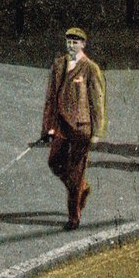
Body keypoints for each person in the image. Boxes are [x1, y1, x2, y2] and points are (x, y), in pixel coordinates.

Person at [41, 27, 106, 230]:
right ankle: (82, 189)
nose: (71, 46)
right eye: (68, 42)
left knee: (76, 172)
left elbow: (98, 101)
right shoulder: (59, 64)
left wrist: (97, 132)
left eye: (75, 42)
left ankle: (73, 217)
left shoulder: (90, 68)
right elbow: (51, 98)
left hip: (81, 128)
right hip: (60, 126)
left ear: (83, 45)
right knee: (54, 162)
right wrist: (48, 127)